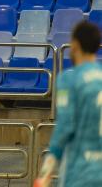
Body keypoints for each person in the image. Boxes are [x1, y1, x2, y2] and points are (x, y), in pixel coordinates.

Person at [33, 21, 102, 187]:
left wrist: (44, 174)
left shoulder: (69, 80)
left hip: (79, 173)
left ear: (76, 44)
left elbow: (64, 127)